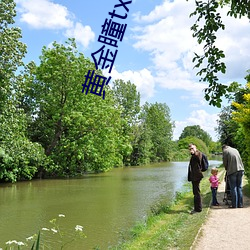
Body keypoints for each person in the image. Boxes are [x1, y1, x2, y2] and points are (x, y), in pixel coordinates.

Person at [188, 143, 204, 214]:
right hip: (195, 176)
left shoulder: (198, 154)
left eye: (192, 148)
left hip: (196, 176)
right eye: (190, 149)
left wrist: (194, 152)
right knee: (196, 192)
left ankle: (198, 209)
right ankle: (197, 208)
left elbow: (198, 158)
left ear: (195, 148)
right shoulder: (194, 155)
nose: (191, 150)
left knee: (196, 192)